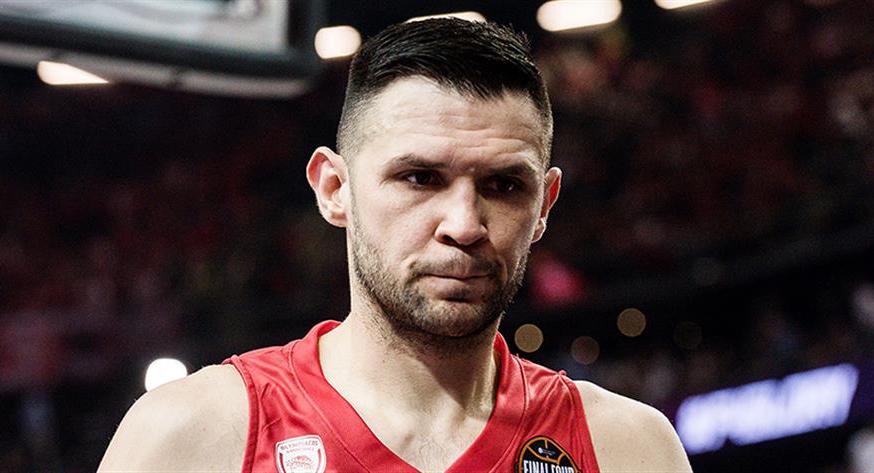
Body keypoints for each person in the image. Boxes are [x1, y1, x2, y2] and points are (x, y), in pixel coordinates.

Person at [99, 18, 692, 473]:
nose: (464, 224)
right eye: (420, 178)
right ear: (335, 190)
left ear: (544, 205)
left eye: (504, 185)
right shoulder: (194, 438)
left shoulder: (629, 451)